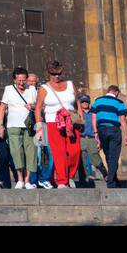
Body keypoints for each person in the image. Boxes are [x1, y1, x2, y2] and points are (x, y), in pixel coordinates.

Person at [35, 59, 81, 188]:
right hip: (53, 123)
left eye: (59, 73)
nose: (56, 76)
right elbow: (38, 107)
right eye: (53, 74)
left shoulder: (71, 84)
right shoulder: (44, 88)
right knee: (58, 152)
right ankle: (61, 181)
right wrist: (39, 126)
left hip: (71, 122)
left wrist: (81, 118)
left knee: (75, 151)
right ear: (48, 73)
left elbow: (77, 102)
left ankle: (69, 175)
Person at [1, 67, 37, 189]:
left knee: (30, 152)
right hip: (13, 126)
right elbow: (2, 107)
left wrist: (32, 106)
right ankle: (20, 179)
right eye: (19, 80)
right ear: (14, 79)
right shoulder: (9, 89)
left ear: (27, 79)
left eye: (23, 80)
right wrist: (0, 125)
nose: (21, 83)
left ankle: (27, 181)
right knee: (16, 152)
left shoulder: (32, 89)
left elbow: (40, 107)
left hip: (30, 126)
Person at [89, 85, 127, 187]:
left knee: (108, 155)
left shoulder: (97, 101)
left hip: (101, 130)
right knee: (114, 156)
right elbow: (123, 120)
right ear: (116, 92)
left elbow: (93, 118)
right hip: (114, 130)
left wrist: (95, 133)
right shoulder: (119, 103)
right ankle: (111, 182)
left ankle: (113, 177)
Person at [29, 72, 54, 188]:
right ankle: (32, 180)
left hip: (41, 125)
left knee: (43, 152)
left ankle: (43, 178)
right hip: (28, 125)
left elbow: (44, 107)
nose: (32, 83)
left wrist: (35, 107)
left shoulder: (41, 91)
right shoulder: (23, 92)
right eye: (30, 81)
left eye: (34, 81)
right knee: (33, 154)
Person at [76, 95, 108, 185]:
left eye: (86, 101)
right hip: (81, 138)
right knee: (81, 159)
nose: (85, 103)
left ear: (89, 102)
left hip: (91, 138)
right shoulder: (78, 113)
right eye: (83, 102)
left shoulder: (94, 114)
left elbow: (98, 127)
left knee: (95, 158)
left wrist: (100, 140)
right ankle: (83, 179)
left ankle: (105, 174)